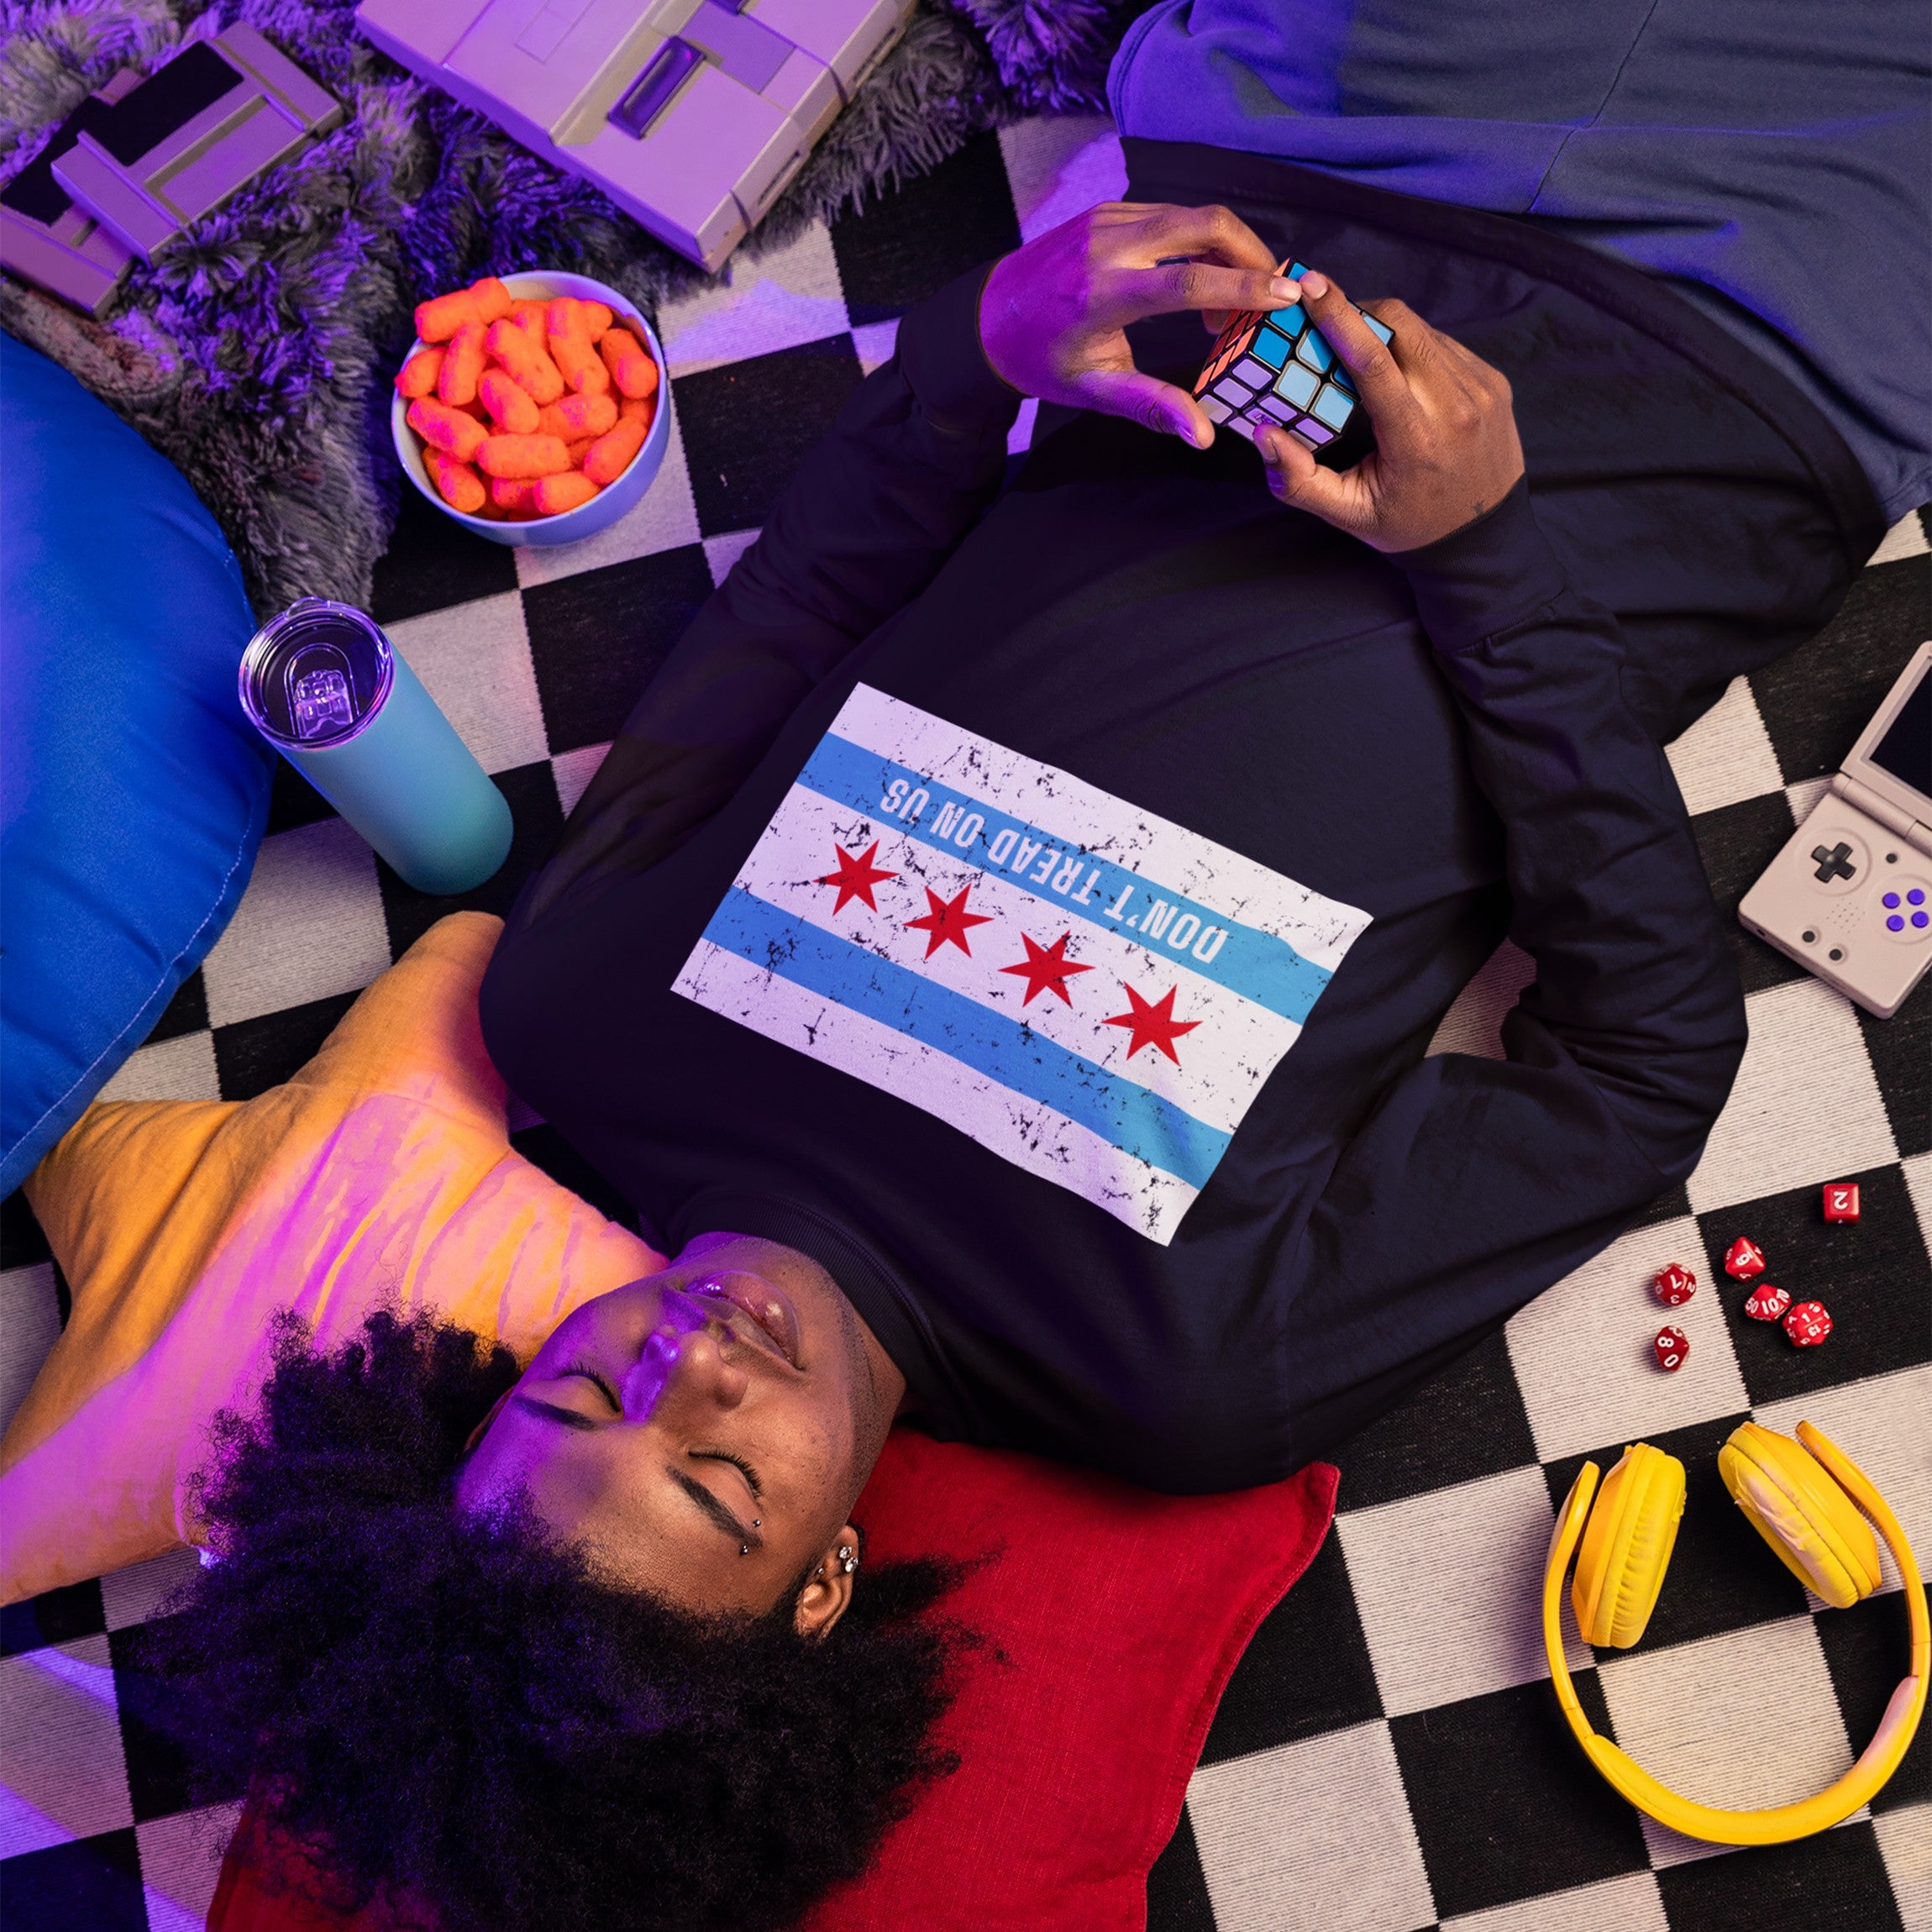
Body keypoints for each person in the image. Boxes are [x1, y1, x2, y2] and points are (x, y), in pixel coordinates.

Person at [51, 55, 1900, 1932]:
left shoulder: (580, 1021)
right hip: (1714, 372)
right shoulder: (1179, 1370)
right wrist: (1489, 558)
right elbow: (1642, 1069)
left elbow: (785, 621)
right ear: (827, 1581)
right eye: (715, 1487)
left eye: (580, 1396)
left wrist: (967, 353)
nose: (688, 1362)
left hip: (1273, 172)